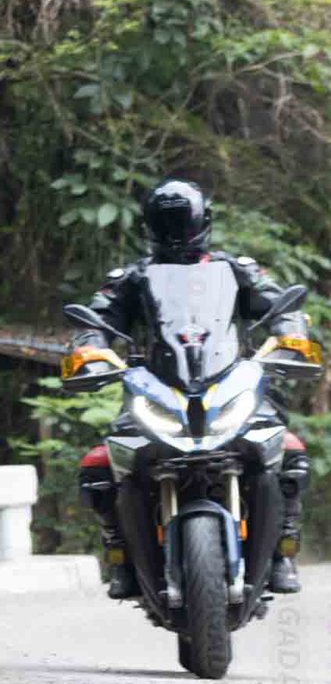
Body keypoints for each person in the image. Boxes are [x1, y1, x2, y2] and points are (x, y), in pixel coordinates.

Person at [70, 179, 312, 599]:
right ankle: (119, 553)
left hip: (229, 380)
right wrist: (89, 348)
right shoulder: (132, 278)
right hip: (155, 387)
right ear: (151, 225)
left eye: (181, 222)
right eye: (167, 223)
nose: (175, 232)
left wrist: (292, 335)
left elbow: (280, 306)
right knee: (98, 466)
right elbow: (97, 319)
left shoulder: (236, 270)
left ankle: (282, 550)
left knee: (289, 452)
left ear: (203, 222)